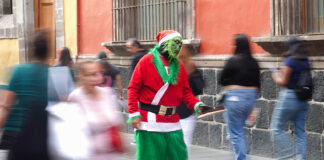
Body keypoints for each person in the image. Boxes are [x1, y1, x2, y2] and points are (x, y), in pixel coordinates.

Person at [128, 30, 208, 160]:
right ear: (164, 44)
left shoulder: (179, 66)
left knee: (179, 156)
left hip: (172, 122)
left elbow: (186, 92)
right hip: (150, 122)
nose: (177, 47)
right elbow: (133, 88)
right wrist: (133, 113)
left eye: (179, 44)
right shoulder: (147, 61)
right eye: (174, 43)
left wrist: (196, 104)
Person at [0, 31, 50, 160]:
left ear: (31, 51)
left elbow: (6, 106)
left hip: (18, 135)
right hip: (45, 137)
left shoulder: (19, 71)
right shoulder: (55, 74)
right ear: (47, 52)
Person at [68, 60, 124, 159]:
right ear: (80, 77)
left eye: (96, 74)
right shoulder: (75, 97)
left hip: (108, 155)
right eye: (89, 75)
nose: (94, 78)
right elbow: (71, 134)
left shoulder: (107, 93)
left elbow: (116, 122)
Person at [219, 34, 260, 160]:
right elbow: (258, 83)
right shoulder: (254, 62)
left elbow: (221, 79)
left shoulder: (233, 60)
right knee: (239, 130)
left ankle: (241, 156)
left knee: (235, 133)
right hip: (251, 99)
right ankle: (243, 151)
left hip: (234, 98)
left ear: (237, 45)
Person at [270, 36, 310, 160]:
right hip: (303, 99)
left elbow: (283, 81)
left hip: (289, 97)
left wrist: (275, 74)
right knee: (300, 133)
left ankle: (288, 152)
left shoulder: (290, 61)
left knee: (276, 128)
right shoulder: (305, 61)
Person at [177, 45, 204, 150]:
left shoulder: (168, 68)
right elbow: (199, 88)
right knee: (184, 145)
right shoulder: (191, 67)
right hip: (185, 113)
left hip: (173, 113)